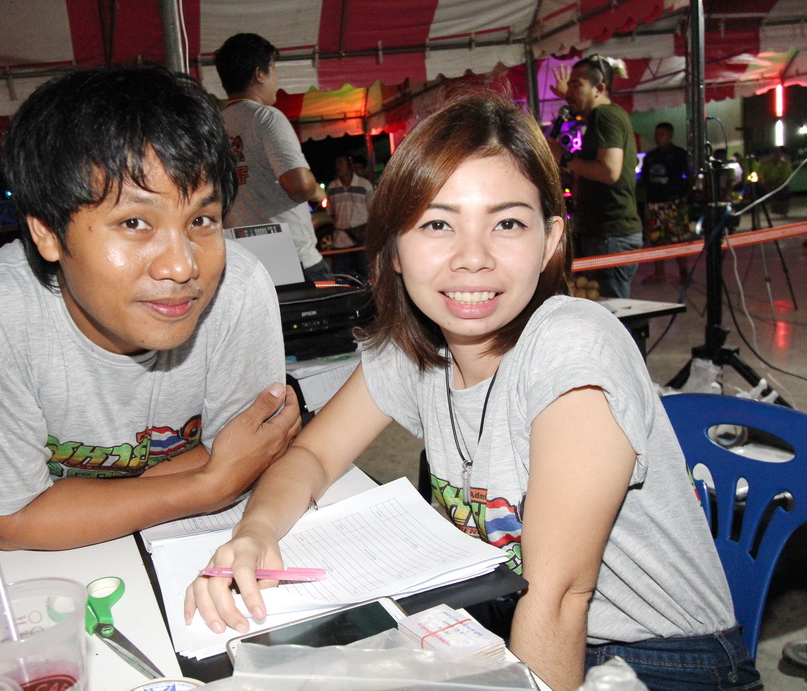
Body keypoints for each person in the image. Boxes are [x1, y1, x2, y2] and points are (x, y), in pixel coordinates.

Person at [185, 94, 759, 691]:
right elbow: (312, 453)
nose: (473, 259)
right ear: (394, 250)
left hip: (662, 659)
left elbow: (560, 596)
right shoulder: (416, 348)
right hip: (509, 618)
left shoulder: (572, 347)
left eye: (507, 223)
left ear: (550, 241)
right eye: (438, 224)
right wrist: (255, 532)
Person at [0, 64, 301, 551]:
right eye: (135, 222)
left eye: (201, 219)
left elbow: (252, 454)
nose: (183, 266)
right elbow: (10, 524)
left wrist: (61, 509)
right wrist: (209, 485)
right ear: (47, 232)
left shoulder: (237, 288)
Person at [214, 33, 332, 284]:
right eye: (273, 70)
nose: (276, 80)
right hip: (293, 257)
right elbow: (300, 186)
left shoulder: (214, 127)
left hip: (245, 260)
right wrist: (318, 192)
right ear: (259, 74)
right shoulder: (266, 118)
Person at [548, 56, 642, 298]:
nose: (570, 92)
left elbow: (609, 172)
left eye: (576, 85)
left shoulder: (606, 115)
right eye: (569, 86)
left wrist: (564, 158)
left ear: (599, 88)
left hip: (611, 234)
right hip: (604, 233)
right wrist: (570, 95)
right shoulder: (601, 115)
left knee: (613, 311)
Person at [640, 122, 693, 283]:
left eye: (662, 134)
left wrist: (684, 195)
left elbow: (690, 176)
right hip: (654, 203)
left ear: (670, 135)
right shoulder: (650, 157)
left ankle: (684, 272)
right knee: (656, 238)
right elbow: (644, 179)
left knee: (679, 238)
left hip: (674, 202)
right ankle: (659, 273)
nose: (658, 137)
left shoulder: (679, 154)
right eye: (656, 134)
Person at [326, 153, 374, 278]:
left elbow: (372, 209)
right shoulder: (332, 187)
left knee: (366, 276)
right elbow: (331, 212)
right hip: (340, 239)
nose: (337, 166)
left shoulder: (364, 185)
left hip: (362, 238)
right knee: (341, 278)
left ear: (350, 164)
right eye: (336, 163)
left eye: (341, 163)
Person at [756, 146, 793, 217]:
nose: (777, 155)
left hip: (779, 185)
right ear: (771, 154)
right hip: (765, 185)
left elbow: (785, 179)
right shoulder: (763, 164)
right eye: (775, 153)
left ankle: (783, 210)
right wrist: (766, 187)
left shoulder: (785, 164)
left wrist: (775, 187)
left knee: (786, 190)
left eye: (779, 153)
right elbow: (759, 178)